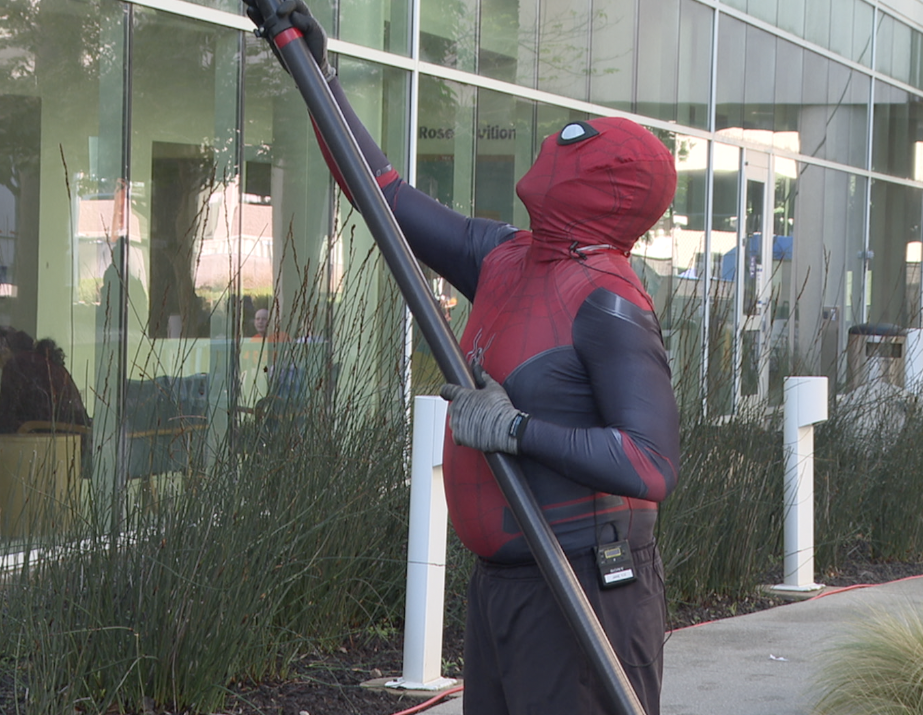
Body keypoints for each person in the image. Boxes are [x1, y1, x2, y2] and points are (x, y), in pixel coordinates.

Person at [244, 4, 679, 713]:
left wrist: (516, 430)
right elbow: (378, 192)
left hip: (583, 586)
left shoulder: (607, 301)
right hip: (504, 582)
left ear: (605, 187)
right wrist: (315, 76)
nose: (554, 144)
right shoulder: (505, 258)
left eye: (574, 145)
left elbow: (649, 463)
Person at [0, 327, 90, 435]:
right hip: (73, 437)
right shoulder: (43, 360)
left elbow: (4, 416)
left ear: (7, 350)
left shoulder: (18, 363)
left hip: (47, 438)